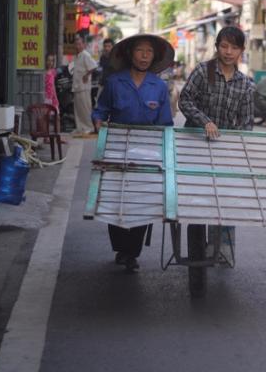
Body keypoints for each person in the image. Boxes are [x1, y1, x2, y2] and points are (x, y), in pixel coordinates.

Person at [92, 34, 174, 271]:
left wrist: (163, 153)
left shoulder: (158, 86)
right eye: (140, 50)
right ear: (130, 54)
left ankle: (132, 252)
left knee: (141, 201)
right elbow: (100, 111)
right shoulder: (115, 82)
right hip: (117, 149)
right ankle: (120, 247)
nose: (145, 56)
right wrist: (98, 123)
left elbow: (165, 123)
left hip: (147, 152)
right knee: (116, 199)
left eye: (149, 52)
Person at [179, 26, 254, 268]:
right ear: (217, 47)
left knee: (226, 200)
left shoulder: (244, 84)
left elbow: (246, 123)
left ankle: (222, 250)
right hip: (195, 145)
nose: (228, 52)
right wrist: (205, 122)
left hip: (225, 151)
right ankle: (197, 245)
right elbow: (185, 100)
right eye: (224, 46)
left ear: (241, 50)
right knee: (198, 200)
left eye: (234, 47)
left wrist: (239, 149)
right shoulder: (204, 71)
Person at [71, 35, 98, 136]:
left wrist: (87, 75)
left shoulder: (85, 54)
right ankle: (80, 127)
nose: (77, 46)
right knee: (78, 109)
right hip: (77, 86)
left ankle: (89, 127)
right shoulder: (77, 56)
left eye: (79, 44)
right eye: (76, 44)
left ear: (84, 45)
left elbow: (93, 66)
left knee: (85, 108)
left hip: (84, 87)